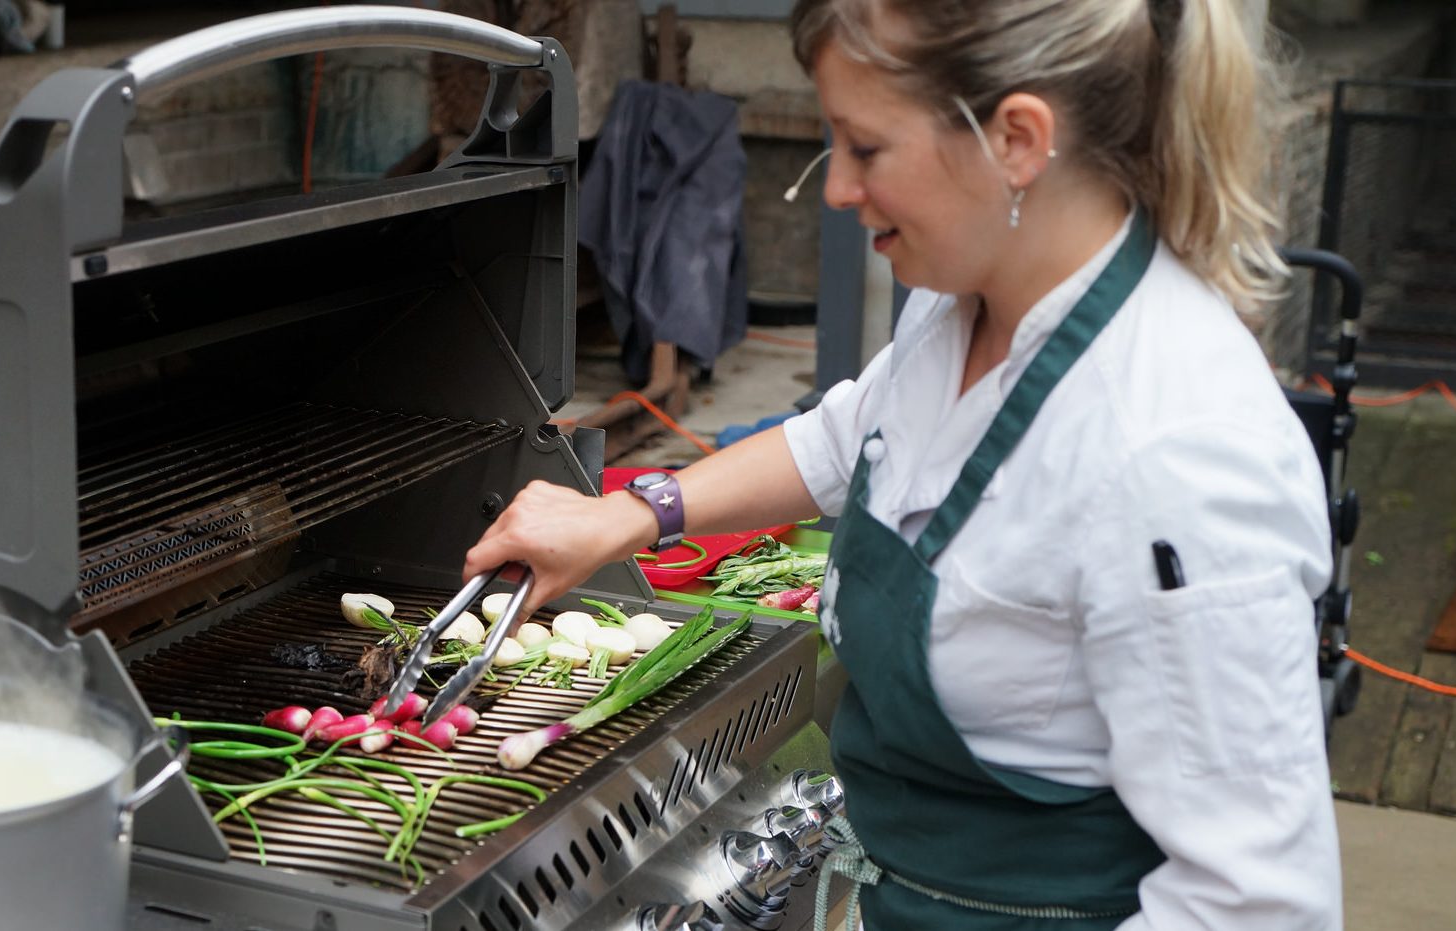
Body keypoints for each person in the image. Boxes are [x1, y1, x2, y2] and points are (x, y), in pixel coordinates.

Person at [464, 0, 1342, 927]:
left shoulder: (1177, 455)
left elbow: (1257, 905)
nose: (836, 190)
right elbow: (848, 437)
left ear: (1016, 141)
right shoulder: (964, 301)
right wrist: (628, 514)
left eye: (865, 148)